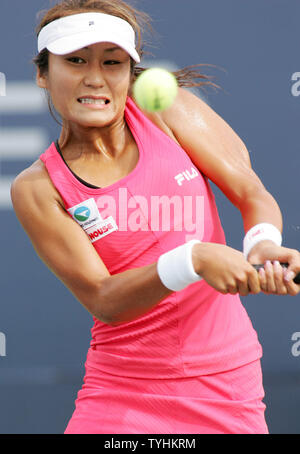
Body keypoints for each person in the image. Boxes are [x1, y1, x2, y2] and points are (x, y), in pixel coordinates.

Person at [11, 0, 300, 435]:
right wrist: (195, 259)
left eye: (113, 62)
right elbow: (105, 299)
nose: (94, 77)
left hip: (225, 385)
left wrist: (261, 244)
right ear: (42, 74)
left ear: (130, 74)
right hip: (119, 392)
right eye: (75, 61)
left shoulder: (170, 111)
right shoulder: (38, 188)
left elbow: (250, 191)